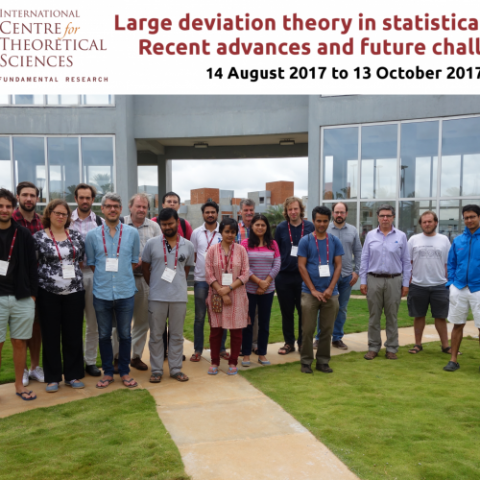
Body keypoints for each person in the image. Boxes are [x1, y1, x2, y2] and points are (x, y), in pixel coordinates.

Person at [85, 193, 140, 389]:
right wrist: (106, 277)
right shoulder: (92, 236)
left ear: (121, 209)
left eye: (116, 206)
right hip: (102, 293)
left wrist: (120, 274)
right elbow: (92, 264)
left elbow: (134, 261)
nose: (112, 209)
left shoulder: (132, 233)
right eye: (108, 206)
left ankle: (124, 371)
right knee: (104, 335)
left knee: (125, 334)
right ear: (102, 209)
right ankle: (108, 372)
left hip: (125, 292)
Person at [34, 200, 86, 393]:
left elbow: (80, 260)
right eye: (57, 213)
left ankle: (73, 375)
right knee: (50, 335)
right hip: (48, 292)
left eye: (64, 214)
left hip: (74, 291)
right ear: (49, 214)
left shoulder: (76, 236)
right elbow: (34, 263)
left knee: (73, 334)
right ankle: (52, 377)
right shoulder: (38, 237)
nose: (61, 216)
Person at [142, 208, 195, 383]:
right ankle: (157, 370)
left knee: (176, 335)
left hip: (178, 297)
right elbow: (145, 268)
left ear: (177, 222)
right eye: (163, 224)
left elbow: (185, 270)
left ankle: (175, 369)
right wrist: (155, 286)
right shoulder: (151, 243)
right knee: (156, 335)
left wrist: (176, 285)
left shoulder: (188, 245)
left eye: (170, 223)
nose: (167, 227)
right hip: (156, 297)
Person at [112, 193, 161, 371]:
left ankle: (135, 356)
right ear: (130, 207)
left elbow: (160, 251)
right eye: (138, 206)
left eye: (144, 207)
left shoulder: (154, 227)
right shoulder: (120, 224)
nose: (141, 209)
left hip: (145, 279)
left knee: (142, 321)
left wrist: (146, 261)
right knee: (119, 322)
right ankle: (117, 358)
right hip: (122, 280)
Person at [359, 204, 411, 360]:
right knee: (374, 316)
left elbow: (406, 261)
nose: (385, 218)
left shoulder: (401, 236)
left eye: (388, 215)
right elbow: (364, 259)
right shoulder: (370, 235)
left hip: (394, 280)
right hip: (373, 279)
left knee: (392, 316)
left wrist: (406, 284)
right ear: (378, 217)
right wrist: (363, 280)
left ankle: (391, 348)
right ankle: (373, 347)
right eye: (382, 215)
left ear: (393, 217)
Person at [0, 188, 38, 401]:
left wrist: (32, 296)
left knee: (19, 342)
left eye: (8, 206)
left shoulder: (22, 234)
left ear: (13, 208)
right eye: (0, 206)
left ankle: (19, 385)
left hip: (22, 297)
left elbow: (33, 266)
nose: (4, 210)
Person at [298, 206, 344, 374]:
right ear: (313, 221)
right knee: (308, 329)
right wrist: (313, 289)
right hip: (309, 292)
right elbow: (301, 266)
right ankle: (306, 361)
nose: (322, 224)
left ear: (329, 221)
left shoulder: (334, 241)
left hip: (331, 293)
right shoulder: (306, 241)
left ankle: (323, 362)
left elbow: (338, 266)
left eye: (325, 221)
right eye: (319, 221)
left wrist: (331, 288)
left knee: (326, 330)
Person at [314, 202, 362, 350]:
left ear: (346, 213)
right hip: (327, 277)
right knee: (323, 308)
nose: (339, 215)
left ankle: (337, 338)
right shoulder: (325, 229)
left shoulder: (353, 230)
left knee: (341, 309)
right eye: (336, 212)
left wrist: (357, 272)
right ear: (332, 213)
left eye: (342, 212)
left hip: (347, 276)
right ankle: (320, 338)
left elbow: (358, 252)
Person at [205, 218, 250, 375]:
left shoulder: (241, 250)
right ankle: (214, 362)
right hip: (216, 295)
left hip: (237, 296)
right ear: (221, 232)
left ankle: (233, 362)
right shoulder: (212, 250)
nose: (230, 235)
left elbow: (245, 274)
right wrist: (221, 291)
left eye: (233, 232)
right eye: (227, 231)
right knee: (216, 331)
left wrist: (229, 288)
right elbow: (209, 274)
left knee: (236, 332)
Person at [407, 211, 452, 355]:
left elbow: (448, 263)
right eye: (424, 222)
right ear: (420, 224)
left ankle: (446, 346)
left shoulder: (444, 240)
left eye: (430, 221)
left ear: (435, 223)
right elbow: (408, 262)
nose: (427, 224)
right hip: (418, 284)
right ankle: (418, 344)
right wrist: (408, 281)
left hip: (440, 285)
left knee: (440, 317)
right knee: (418, 315)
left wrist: (448, 281)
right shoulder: (413, 240)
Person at [70, 183, 103, 377]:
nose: (84, 201)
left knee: (93, 321)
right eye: (81, 197)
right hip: (70, 275)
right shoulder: (66, 220)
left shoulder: (100, 222)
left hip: (92, 274)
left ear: (93, 200)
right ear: (76, 199)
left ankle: (90, 361)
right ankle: (74, 363)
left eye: (88, 198)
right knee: (72, 322)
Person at [13, 181, 44, 386]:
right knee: (19, 328)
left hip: (39, 282)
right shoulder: (10, 220)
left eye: (32, 195)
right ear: (18, 197)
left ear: (37, 198)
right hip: (16, 283)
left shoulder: (42, 222)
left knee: (36, 326)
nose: (29, 199)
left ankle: (34, 367)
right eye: (25, 195)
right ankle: (22, 369)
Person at [274, 196, 314, 355]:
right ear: (286, 211)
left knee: (304, 312)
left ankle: (303, 342)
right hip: (284, 277)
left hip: (304, 277)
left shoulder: (310, 227)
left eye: (295, 208)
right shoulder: (281, 228)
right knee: (287, 312)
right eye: (290, 209)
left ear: (301, 210)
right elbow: (276, 251)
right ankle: (289, 343)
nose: (293, 212)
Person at [443, 204, 480, 372]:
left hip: (478, 288)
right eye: (466, 217)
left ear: (479, 217)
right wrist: (451, 283)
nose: (469, 220)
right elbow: (451, 263)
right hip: (459, 287)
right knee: (457, 324)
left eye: (472, 217)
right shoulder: (458, 240)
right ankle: (453, 360)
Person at [189, 201, 227, 362]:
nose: (210, 214)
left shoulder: (224, 232)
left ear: (217, 214)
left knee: (220, 316)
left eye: (213, 212)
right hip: (201, 280)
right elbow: (194, 255)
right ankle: (198, 350)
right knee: (199, 316)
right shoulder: (196, 233)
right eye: (207, 212)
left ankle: (221, 349)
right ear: (203, 214)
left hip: (219, 282)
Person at [241, 214, 281, 366]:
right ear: (252, 226)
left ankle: (262, 353)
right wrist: (259, 282)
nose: (260, 227)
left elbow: (277, 264)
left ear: (267, 227)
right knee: (248, 322)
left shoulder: (273, 244)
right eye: (257, 224)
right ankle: (246, 354)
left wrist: (266, 283)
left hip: (268, 290)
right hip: (249, 289)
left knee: (264, 322)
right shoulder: (245, 244)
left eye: (263, 225)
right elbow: (244, 266)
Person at [237, 198, 259, 353]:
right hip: (239, 278)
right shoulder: (236, 229)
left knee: (255, 312)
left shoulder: (260, 228)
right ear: (240, 212)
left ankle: (255, 343)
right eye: (246, 210)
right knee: (240, 311)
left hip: (256, 276)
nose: (249, 213)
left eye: (251, 210)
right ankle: (241, 344)